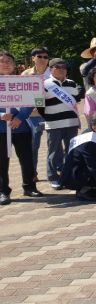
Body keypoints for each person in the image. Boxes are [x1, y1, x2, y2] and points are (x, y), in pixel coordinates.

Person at [0, 51, 41, 205]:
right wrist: (1, 115)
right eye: (2, 61)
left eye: (8, 61)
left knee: (26, 159)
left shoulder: (24, 82)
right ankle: (3, 191)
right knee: (1, 161)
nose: (5, 64)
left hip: (21, 127)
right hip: (1, 129)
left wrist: (20, 117)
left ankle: (29, 186)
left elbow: (32, 101)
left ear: (14, 64)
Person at [38, 58, 84, 189]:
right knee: (54, 152)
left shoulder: (72, 83)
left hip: (71, 123)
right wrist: (49, 117)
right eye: (57, 67)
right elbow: (39, 104)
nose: (61, 69)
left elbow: (76, 99)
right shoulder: (44, 84)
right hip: (54, 124)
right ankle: (53, 177)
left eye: (64, 67)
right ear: (51, 69)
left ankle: (68, 176)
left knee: (71, 151)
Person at [59, 111, 96, 202]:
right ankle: (84, 190)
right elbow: (93, 167)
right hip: (73, 177)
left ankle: (93, 187)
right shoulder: (90, 142)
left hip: (75, 171)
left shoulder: (90, 133)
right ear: (94, 127)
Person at [21, 47, 50, 183]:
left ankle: (54, 173)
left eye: (46, 57)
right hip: (32, 115)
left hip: (51, 113)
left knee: (54, 145)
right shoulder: (25, 75)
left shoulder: (53, 72)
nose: (43, 59)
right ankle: (32, 174)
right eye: (40, 56)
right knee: (33, 145)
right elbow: (21, 95)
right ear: (33, 58)